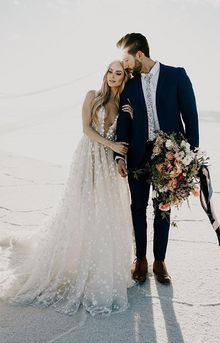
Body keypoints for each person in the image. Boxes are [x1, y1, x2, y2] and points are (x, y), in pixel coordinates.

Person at [0, 60, 134, 316]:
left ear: (123, 77)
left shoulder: (122, 105)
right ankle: (73, 260)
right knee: (82, 206)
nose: (113, 77)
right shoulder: (92, 96)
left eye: (118, 73)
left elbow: (124, 135)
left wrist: (127, 125)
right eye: (110, 71)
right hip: (88, 157)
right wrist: (111, 145)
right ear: (105, 73)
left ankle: (98, 264)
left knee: (103, 212)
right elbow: (86, 129)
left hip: (107, 163)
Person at [115, 33, 199, 284]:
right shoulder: (128, 86)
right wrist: (119, 156)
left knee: (163, 208)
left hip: (170, 156)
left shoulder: (176, 76)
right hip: (138, 156)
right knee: (137, 208)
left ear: (139, 54)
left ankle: (159, 260)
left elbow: (190, 116)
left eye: (127, 59)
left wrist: (189, 159)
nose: (126, 65)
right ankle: (140, 258)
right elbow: (123, 124)